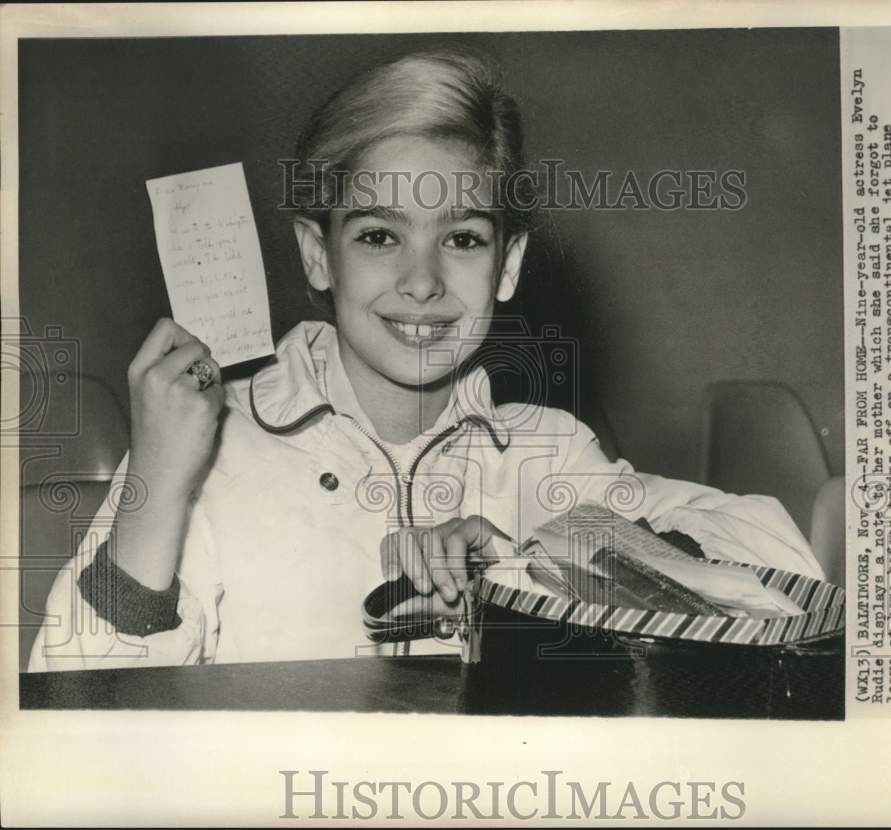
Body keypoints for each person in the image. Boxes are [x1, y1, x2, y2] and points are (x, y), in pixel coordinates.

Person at [29, 48, 824, 672]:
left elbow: (788, 570)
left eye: (462, 238)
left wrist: (538, 561)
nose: (421, 281)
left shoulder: (545, 449)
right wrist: (158, 489)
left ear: (506, 265)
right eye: (379, 235)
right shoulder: (212, 446)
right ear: (318, 254)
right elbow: (74, 706)